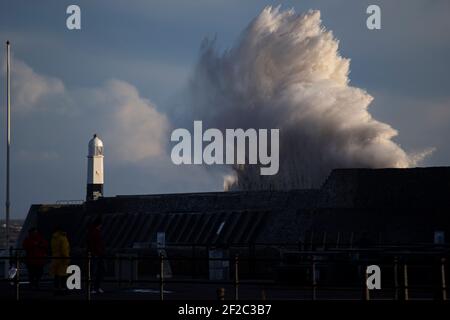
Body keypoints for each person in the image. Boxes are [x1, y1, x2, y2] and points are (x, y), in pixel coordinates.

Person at [87, 216, 105, 293]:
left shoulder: (93, 231)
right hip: (96, 254)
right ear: (99, 224)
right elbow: (94, 244)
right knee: (95, 272)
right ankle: (94, 288)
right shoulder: (95, 232)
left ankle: (96, 287)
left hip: (97, 254)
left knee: (98, 271)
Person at [50, 226, 70, 295]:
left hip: (55, 259)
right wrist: (67, 258)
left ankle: (56, 289)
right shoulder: (63, 238)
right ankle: (63, 289)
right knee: (63, 275)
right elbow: (64, 250)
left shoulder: (53, 238)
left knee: (56, 275)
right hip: (62, 259)